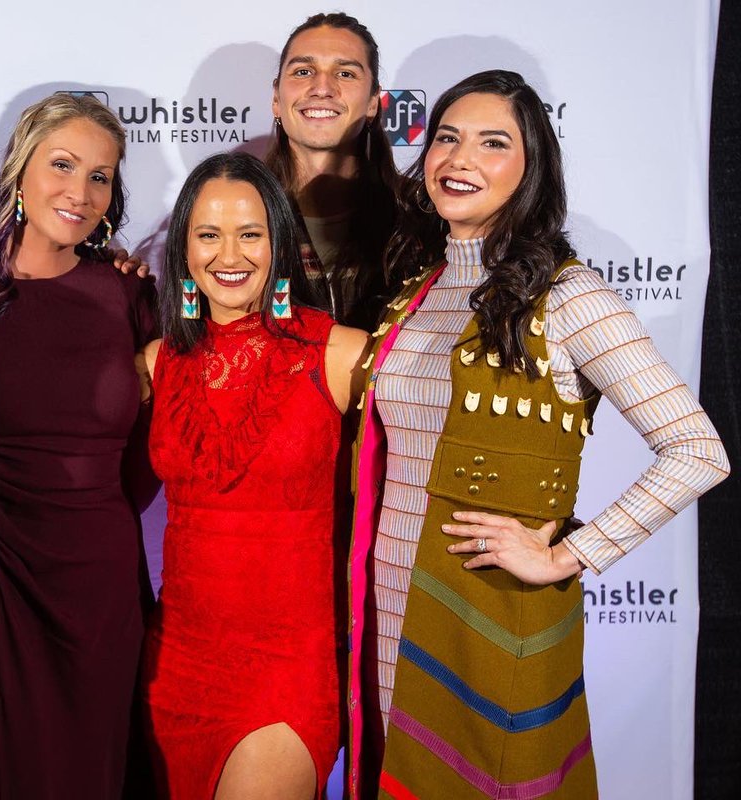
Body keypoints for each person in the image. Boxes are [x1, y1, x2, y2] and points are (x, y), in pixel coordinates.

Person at [345, 70, 730, 798]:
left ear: (530, 170)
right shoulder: (416, 287)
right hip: (393, 603)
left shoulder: (571, 294)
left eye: (494, 143)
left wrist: (568, 555)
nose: (459, 159)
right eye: (447, 139)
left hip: (487, 610)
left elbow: (696, 450)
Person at [0, 93, 157, 800]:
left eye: (101, 176)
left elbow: (153, 448)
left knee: (99, 766)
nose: (80, 192)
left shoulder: (129, 296)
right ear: (20, 172)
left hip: (103, 583)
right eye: (62, 165)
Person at [140, 152, 370, 800]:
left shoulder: (340, 352)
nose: (228, 253)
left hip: (286, 668)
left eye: (249, 233)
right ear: (183, 249)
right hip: (175, 664)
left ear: (281, 244)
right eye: (208, 234)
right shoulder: (156, 364)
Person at [267, 12, 400, 330]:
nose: (322, 88)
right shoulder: (232, 214)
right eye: (303, 71)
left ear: (372, 102)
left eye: (345, 73)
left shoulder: (419, 222)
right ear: (276, 98)